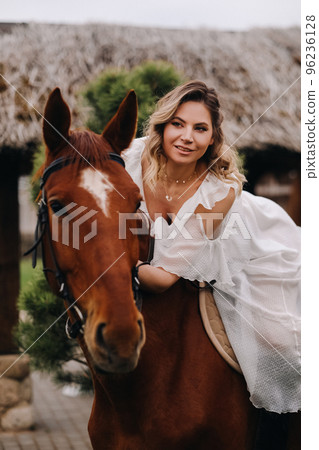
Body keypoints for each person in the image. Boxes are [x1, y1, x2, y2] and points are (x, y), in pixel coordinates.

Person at [122, 80, 301, 414]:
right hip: (165, 259)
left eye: (200, 128)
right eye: (178, 124)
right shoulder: (129, 158)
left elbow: (162, 279)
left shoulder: (221, 191)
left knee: (281, 345)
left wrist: (118, 262)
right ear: (162, 125)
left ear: (213, 137)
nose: (187, 137)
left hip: (252, 245)